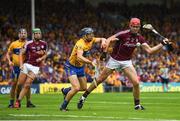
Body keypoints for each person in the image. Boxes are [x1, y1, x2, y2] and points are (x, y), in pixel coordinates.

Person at [77, 18, 171, 110]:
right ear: (130, 26)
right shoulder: (123, 34)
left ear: (139, 27)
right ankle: (83, 97)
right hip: (114, 60)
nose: (135, 28)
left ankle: (137, 105)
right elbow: (109, 39)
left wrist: (162, 43)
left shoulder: (139, 38)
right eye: (133, 26)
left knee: (136, 83)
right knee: (99, 80)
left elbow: (150, 51)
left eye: (137, 27)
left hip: (126, 62)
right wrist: (105, 53)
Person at [59, 27, 107, 111]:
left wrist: (103, 42)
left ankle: (66, 91)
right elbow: (79, 57)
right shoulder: (80, 44)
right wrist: (90, 62)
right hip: (71, 66)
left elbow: (103, 38)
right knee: (76, 88)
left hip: (80, 67)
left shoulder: (91, 40)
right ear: (85, 36)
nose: (92, 36)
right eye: (90, 34)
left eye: (92, 34)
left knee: (84, 87)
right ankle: (63, 106)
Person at [14, 28, 47, 108]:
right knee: (19, 84)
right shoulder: (28, 43)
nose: (39, 35)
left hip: (35, 67)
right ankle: (18, 97)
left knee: (27, 85)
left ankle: (18, 102)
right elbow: (21, 53)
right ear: (34, 35)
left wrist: (41, 59)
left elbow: (45, 54)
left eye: (40, 33)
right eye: (37, 33)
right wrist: (21, 64)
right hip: (27, 65)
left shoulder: (44, 44)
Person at [6, 28, 35, 108]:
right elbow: (8, 54)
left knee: (27, 85)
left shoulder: (29, 44)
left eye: (24, 33)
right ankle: (11, 102)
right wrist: (9, 61)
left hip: (26, 67)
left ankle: (28, 102)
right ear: (19, 34)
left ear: (26, 34)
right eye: (21, 33)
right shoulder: (14, 44)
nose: (23, 34)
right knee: (14, 84)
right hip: (16, 67)